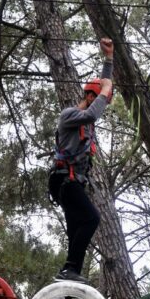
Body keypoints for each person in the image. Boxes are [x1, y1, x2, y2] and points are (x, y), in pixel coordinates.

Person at [48, 38, 114, 283]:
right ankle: (70, 270)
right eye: (99, 99)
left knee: (77, 226)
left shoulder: (85, 119)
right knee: (91, 218)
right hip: (65, 180)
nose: (102, 106)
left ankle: (69, 270)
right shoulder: (70, 115)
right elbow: (95, 106)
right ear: (89, 97)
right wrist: (104, 92)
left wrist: (108, 59)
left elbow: (102, 86)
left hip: (72, 181)